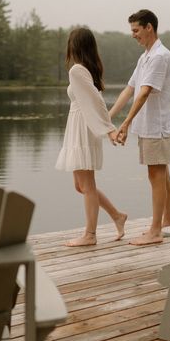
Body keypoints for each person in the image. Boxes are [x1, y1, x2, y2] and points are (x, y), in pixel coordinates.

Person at [55, 27, 127, 246]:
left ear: (74, 46)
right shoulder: (87, 70)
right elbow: (96, 101)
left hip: (83, 128)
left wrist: (108, 129)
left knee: (86, 185)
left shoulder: (77, 70)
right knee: (81, 185)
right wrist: (108, 128)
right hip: (81, 126)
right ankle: (117, 215)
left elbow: (96, 102)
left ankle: (90, 235)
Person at [109, 9, 170, 245]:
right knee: (161, 173)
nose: (133, 35)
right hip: (151, 126)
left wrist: (125, 124)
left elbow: (145, 92)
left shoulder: (159, 56)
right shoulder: (146, 56)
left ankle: (156, 231)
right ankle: (167, 223)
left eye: (136, 30)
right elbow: (130, 89)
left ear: (149, 27)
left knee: (156, 174)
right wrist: (109, 117)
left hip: (156, 126)